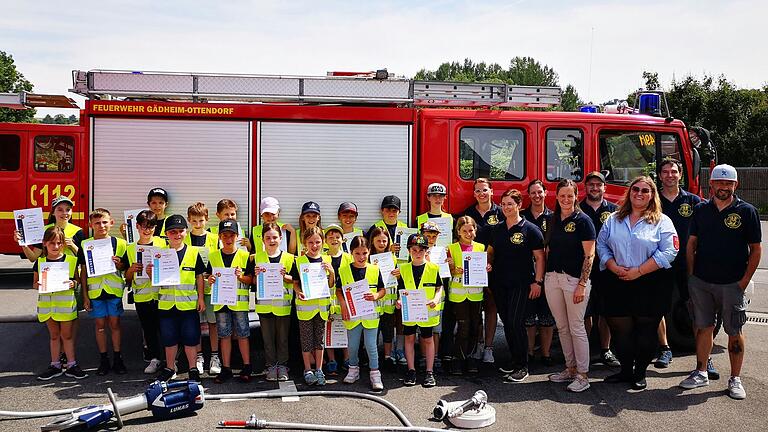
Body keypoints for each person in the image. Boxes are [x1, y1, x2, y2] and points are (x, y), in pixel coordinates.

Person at [679, 164, 761, 400]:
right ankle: (701, 371)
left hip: (732, 284)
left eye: (729, 183)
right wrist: (693, 277)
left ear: (736, 185)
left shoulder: (747, 211)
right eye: (719, 183)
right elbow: (691, 244)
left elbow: (755, 249)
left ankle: (735, 378)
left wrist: (744, 281)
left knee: (734, 331)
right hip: (702, 282)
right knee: (704, 328)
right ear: (711, 184)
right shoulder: (701, 209)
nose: (724, 187)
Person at [597, 176, 678, 390]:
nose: (639, 194)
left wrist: (639, 271)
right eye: (635, 189)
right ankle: (625, 371)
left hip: (650, 282)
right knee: (620, 331)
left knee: (646, 331)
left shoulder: (662, 221)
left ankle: (640, 373)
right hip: (618, 279)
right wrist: (612, 266)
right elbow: (601, 245)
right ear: (629, 192)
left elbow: (670, 251)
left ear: (652, 195)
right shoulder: (613, 219)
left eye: (645, 190)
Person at [656, 159, 712, 372]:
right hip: (660, 263)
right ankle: (664, 348)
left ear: (680, 175)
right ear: (660, 176)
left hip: (687, 264)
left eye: (674, 172)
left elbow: (706, 231)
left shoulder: (695, 201)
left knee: (696, 309)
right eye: (665, 172)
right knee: (659, 307)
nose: (670, 175)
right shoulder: (653, 201)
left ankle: (705, 358)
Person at [543, 180, 596, 393]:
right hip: (552, 278)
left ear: (576, 197)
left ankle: (583, 375)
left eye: (570, 196)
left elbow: (589, 255)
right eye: (562, 196)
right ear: (556, 197)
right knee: (562, 327)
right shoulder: (552, 219)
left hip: (574, 281)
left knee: (576, 327)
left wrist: (582, 284)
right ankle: (571, 369)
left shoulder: (584, 221)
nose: (566, 200)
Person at [487, 189, 545, 382]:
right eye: (503, 204)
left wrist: (538, 282)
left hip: (521, 284)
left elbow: (539, 257)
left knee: (515, 322)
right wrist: (487, 263)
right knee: (508, 323)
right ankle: (514, 361)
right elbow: (490, 252)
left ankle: (523, 366)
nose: (506, 207)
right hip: (499, 283)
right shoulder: (498, 229)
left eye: (510, 204)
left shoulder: (531, 229)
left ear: (519, 205)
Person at [150, 214, 207, 382]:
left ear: (186, 232)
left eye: (180, 231)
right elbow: (155, 279)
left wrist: (201, 298)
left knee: (190, 338)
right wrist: (150, 272)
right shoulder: (159, 254)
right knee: (169, 339)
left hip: (188, 305)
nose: (177, 234)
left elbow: (199, 277)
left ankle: (193, 369)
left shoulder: (193, 253)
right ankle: (169, 368)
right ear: (166, 234)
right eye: (172, 231)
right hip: (167, 305)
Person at [79, 208, 128, 376]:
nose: (101, 226)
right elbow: (83, 272)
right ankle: (103, 359)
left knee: (115, 325)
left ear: (111, 222)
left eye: (105, 222)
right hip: (95, 292)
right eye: (97, 223)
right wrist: (84, 296)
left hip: (113, 291)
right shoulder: (86, 244)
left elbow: (124, 268)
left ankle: (118, 358)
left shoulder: (120, 243)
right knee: (100, 326)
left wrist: (119, 263)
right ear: (90, 225)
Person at [459, 178, 504, 364]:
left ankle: (489, 347)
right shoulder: (468, 213)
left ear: (492, 191)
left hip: (494, 266)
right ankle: (477, 345)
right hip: (473, 269)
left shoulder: (501, 212)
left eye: (484, 190)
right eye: (477, 191)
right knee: (476, 309)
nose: (481, 194)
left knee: (492, 306)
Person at [34, 226, 87, 380]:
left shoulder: (71, 260)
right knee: (54, 335)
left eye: (59, 243)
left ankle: (71, 364)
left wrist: (73, 284)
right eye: (52, 243)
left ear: (63, 243)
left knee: (67, 335)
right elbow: (34, 283)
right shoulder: (40, 261)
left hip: (65, 306)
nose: (55, 247)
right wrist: (39, 284)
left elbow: (77, 280)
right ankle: (55, 365)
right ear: (44, 243)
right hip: (47, 306)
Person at [579, 171, 620, 367]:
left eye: (599, 185)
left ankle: (605, 350)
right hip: (582, 269)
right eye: (591, 185)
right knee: (584, 312)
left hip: (606, 269)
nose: (595, 188)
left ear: (605, 187)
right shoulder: (577, 209)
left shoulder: (615, 211)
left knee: (604, 311)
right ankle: (583, 350)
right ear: (585, 187)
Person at [206, 219, 253, 383]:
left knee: (243, 334)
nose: (228, 238)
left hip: (239, 304)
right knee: (224, 335)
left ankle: (247, 366)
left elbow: (252, 279)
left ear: (237, 236)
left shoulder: (245, 256)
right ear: (219, 236)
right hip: (221, 302)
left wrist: (241, 277)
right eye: (225, 235)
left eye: (231, 235)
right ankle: (226, 368)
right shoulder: (213, 257)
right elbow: (207, 276)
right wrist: (209, 279)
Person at [338, 235, 386, 390]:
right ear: (351, 252)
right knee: (352, 346)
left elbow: (382, 290)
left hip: (370, 315)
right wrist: (344, 304)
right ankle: (353, 370)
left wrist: (376, 296)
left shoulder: (374, 269)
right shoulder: (344, 270)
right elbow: (339, 290)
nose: (361, 257)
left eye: (364, 253)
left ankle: (375, 373)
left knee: (371, 345)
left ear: (369, 252)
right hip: (352, 314)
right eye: (357, 253)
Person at [291, 226, 335, 386]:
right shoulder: (300, 261)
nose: (314, 245)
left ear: (323, 242)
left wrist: (332, 272)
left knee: (320, 340)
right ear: (304, 243)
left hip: (321, 307)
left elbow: (331, 284)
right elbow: (295, 283)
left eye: (317, 242)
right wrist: (298, 292)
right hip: (305, 308)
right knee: (306, 340)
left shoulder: (327, 260)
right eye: (311, 242)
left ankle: (319, 369)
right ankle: (308, 369)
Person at [124, 210, 167, 374]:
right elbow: (127, 277)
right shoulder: (131, 248)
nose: (147, 230)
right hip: (142, 296)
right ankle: (155, 359)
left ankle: (170, 360)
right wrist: (131, 269)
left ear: (155, 228)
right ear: (137, 227)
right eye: (143, 227)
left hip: (162, 295)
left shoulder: (163, 244)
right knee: (148, 329)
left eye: (150, 227)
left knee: (165, 328)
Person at [416, 183, 455, 366]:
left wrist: (449, 260)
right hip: (424, 270)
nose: (438, 199)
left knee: (439, 316)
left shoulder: (449, 218)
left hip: (443, 269)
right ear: (428, 197)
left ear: (445, 198)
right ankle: (425, 356)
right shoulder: (420, 219)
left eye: (441, 196)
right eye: (434, 195)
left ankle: (437, 356)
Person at [397, 234, 442, 388]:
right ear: (409, 251)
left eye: (421, 250)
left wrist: (436, 299)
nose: (417, 253)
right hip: (410, 311)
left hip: (426, 312)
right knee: (409, 339)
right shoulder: (403, 269)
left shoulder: (433, 268)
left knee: (428, 339)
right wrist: (398, 300)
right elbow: (401, 290)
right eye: (414, 250)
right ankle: (411, 370)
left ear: (426, 251)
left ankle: (429, 372)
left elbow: (439, 287)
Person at [252, 222, 295, 382]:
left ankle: (282, 365)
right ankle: (271, 365)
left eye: (275, 237)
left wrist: (286, 276)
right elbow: (253, 283)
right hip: (264, 305)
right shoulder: (257, 258)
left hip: (282, 306)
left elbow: (295, 281)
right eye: (268, 237)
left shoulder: (289, 258)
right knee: (267, 338)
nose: (271, 240)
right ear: (263, 240)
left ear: (280, 238)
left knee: (282, 338)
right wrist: (256, 275)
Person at [520, 179, 555, 367]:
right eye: (533, 192)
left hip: (547, 273)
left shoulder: (553, 217)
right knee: (528, 317)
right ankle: (530, 352)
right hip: (526, 273)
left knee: (546, 316)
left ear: (545, 193)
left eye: (539, 192)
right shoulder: (522, 216)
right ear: (529, 195)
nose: (536, 196)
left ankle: (546, 353)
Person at [446, 216, 486, 375]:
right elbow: (446, 270)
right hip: (458, 294)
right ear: (458, 232)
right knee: (463, 327)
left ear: (475, 230)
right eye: (464, 231)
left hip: (476, 294)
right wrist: (453, 269)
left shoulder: (481, 247)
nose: (468, 233)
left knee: (475, 328)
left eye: (471, 230)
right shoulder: (451, 247)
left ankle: (471, 359)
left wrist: (487, 267)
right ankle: (458, 359)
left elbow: (484, 267)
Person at [186, 202, 221, 376]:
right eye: (194, 221)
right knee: (196, 324)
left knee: (213, 323)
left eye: (201, 220)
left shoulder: (215, 238)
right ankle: (199, 357)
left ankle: (215, 357)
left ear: (207, 219)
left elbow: (221, 260)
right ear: (189, 220)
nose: (198, 224)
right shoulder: (184, 238)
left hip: (211, 287)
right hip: (190, 288)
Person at [368, 226, 402, 369]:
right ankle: (372, 357)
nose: (381, 243)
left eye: (384, 240)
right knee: (373, 332)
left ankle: (388, 357)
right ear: (372, 241)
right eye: (378, 241)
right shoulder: (367, 258)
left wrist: (398, 274)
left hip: (388, 302)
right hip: (373, 302)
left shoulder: (392, 258)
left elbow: (399, 281)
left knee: (388, 330)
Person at [18, 195, 84, 262]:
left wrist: (72, 246)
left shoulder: (78, 231)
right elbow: (33, 258)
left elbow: (84, 259)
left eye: (68, 210)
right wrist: (23, 243)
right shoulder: (44, 230)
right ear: (53, 212)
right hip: (48, 271)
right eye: (60, 210)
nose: (64, 213)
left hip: (70, 271)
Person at [324, 224, 351, 376]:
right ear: (325, 240)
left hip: (345, 302)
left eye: (337, 237)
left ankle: (347, 359)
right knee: (329, 332)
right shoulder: (322, 257)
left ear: (342, 239)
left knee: (345, 330)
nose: (334, 240)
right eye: (330, 237)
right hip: (328, 302)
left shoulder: (349, 258)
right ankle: (332, 360)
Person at [368, 195, 408, 262]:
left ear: (399, 212)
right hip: (382, 267)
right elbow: (368, 250)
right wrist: (388, 249)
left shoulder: (405, 228)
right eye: (388, 210)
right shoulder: (375, 228)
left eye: (394, 211)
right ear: (382, 211)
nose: (391, 213)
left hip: (401, 269)